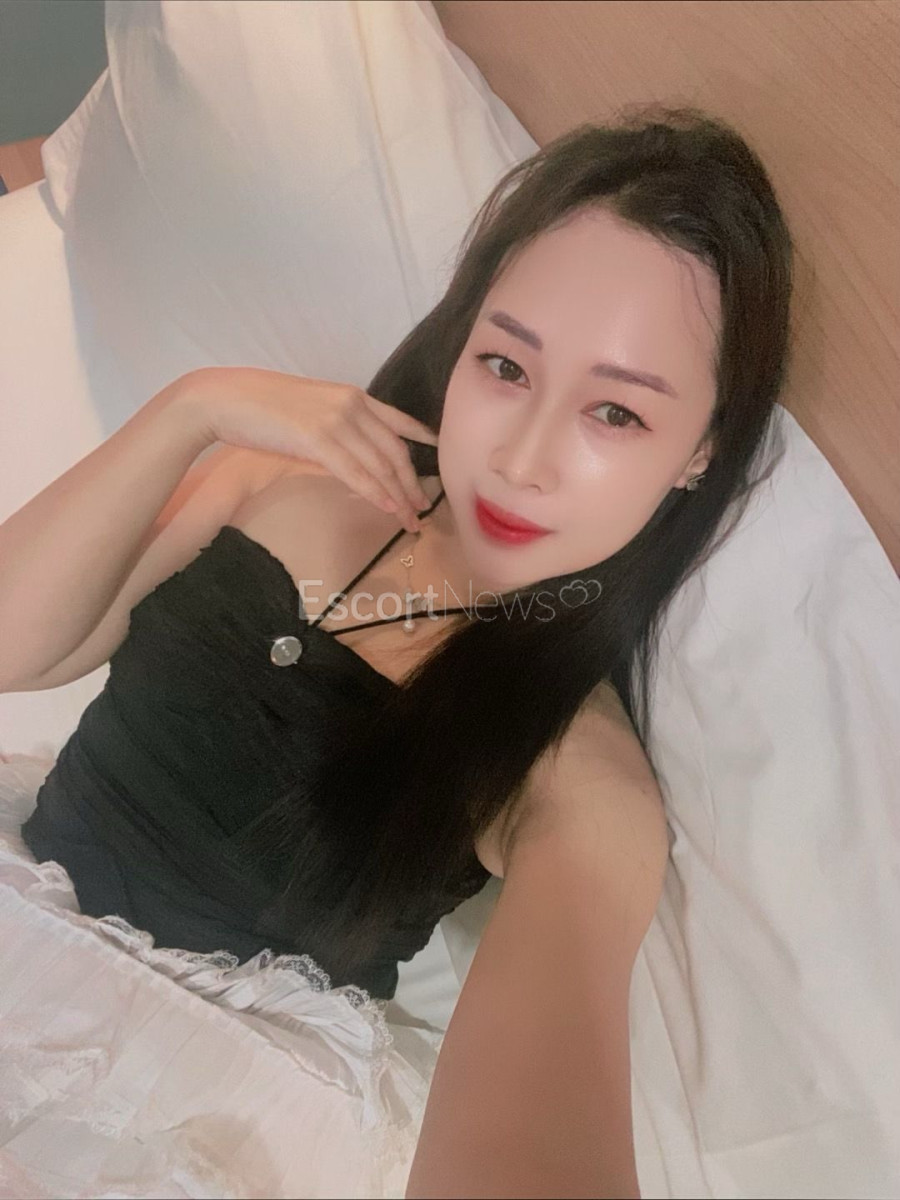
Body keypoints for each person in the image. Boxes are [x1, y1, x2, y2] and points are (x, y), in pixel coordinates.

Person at [0, 103, 793, 1198]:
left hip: (193, 1120)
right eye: (507, 366)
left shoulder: (578, 774)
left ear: (701, 452)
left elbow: (528, 1143)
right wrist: (196, 408)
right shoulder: (275, 480)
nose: (520, 458)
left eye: (615, 414)